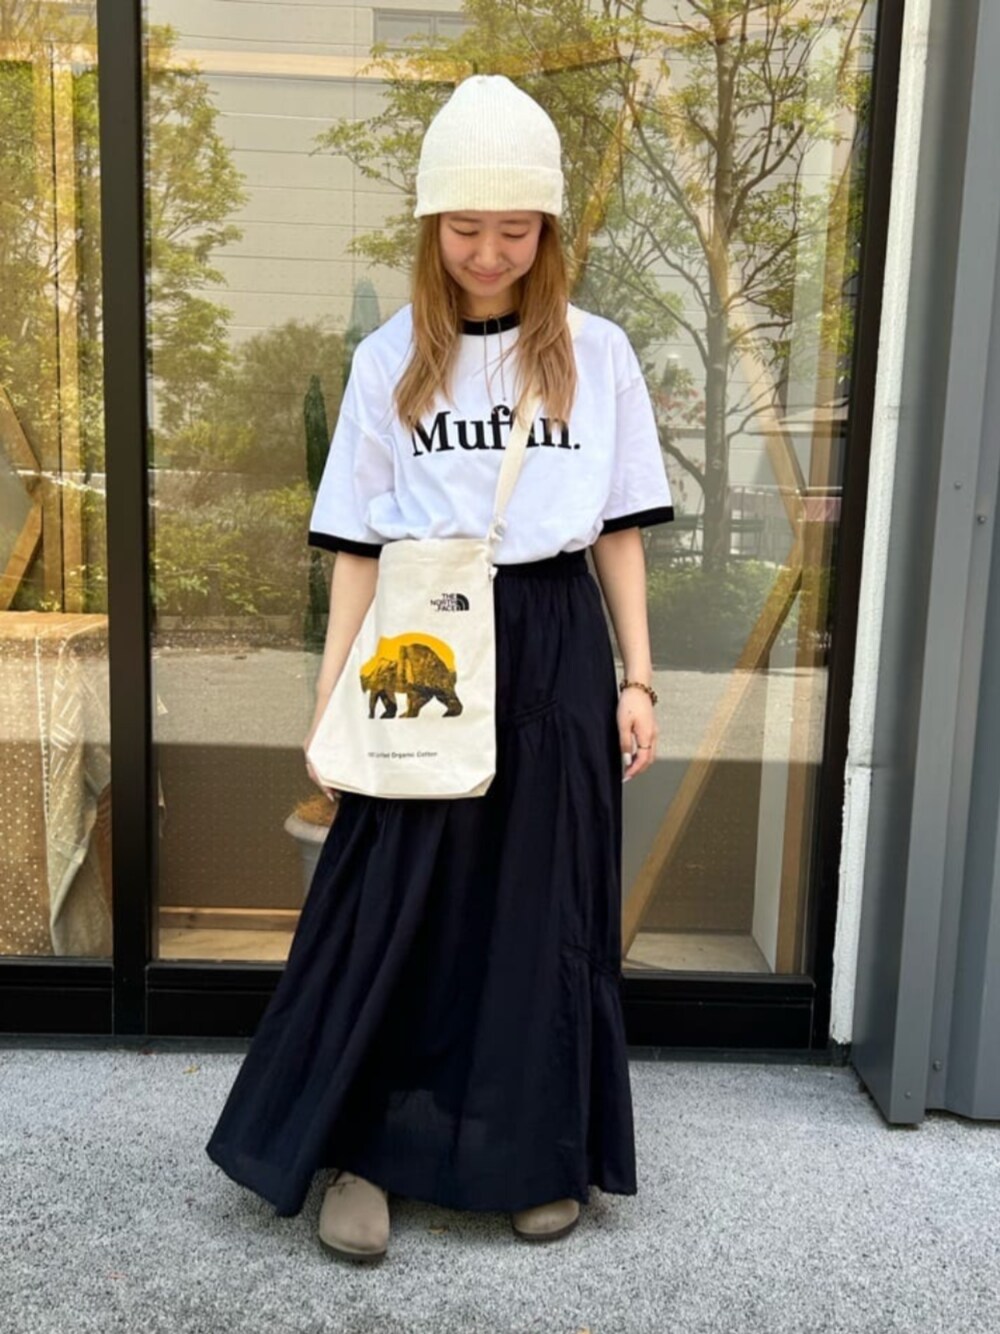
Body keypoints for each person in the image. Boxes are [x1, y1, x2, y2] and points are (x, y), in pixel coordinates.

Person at [205, 73, 674, 1263]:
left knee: (543, 904)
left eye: (514, 228)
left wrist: (637, 678)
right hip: (423, 633)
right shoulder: (387, 359)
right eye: (465, 227)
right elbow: (357, 551)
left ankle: (533, 1152)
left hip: (555, 635)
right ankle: (363, 1150)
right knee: (396, 899)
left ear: (547, 230)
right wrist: (330, 701)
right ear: (430, 225)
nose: (489, 251)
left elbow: (617, 531)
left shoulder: (599, 354)